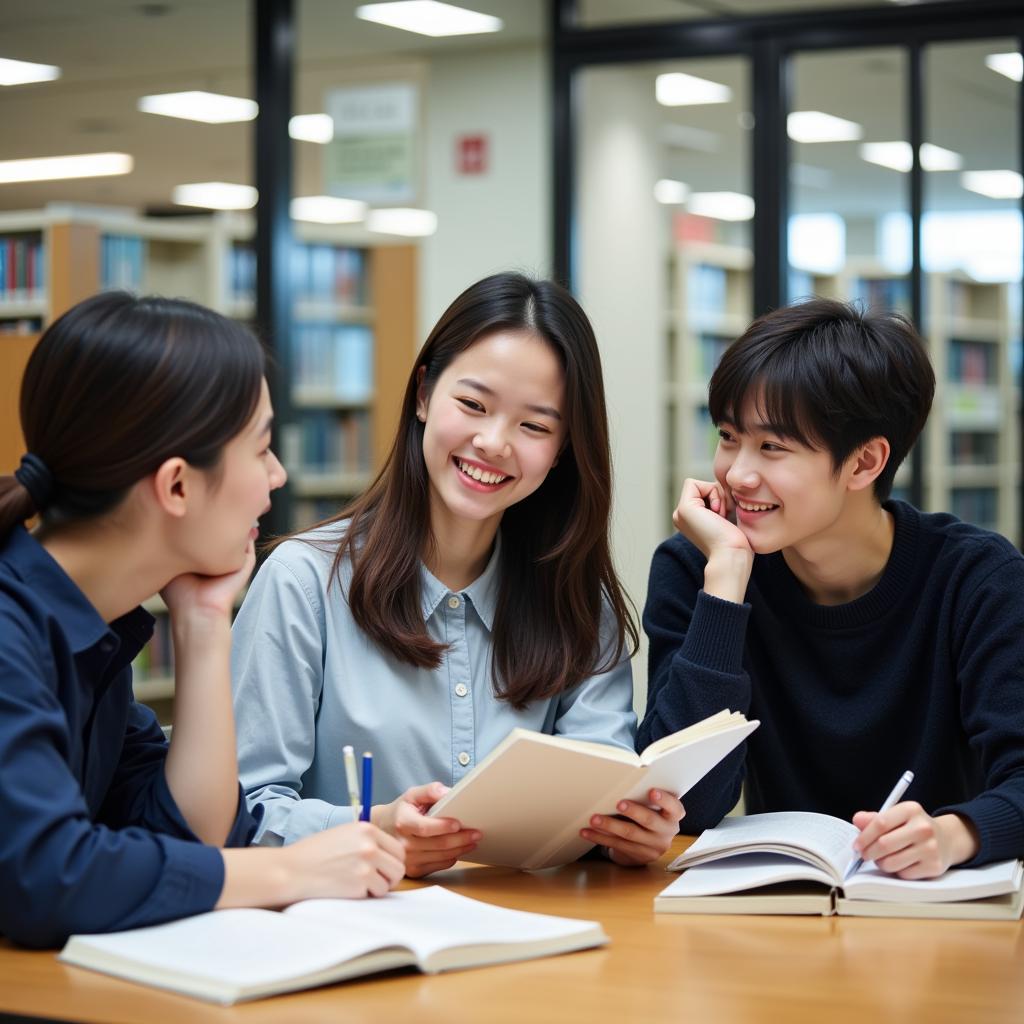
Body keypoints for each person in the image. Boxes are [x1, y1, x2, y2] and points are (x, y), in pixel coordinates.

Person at [232, 272, 683, 875]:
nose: (493, 442)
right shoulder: (302, 581)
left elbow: (598, 780)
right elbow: (244, 813)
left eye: (535, 426)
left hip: (532, 940)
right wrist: (374, 828)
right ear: (423, 394)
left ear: (564, 447)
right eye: (472, 405)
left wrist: (624, 830)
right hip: (354, 936)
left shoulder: (576, 600)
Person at [0, 292, 405, 949]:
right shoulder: (11, 629)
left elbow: (187, 832)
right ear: (178, 486)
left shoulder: (93, 631)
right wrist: (286, 869)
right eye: (262, 448)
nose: (277, 477)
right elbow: (47, 877)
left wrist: (205, 624)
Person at [638, 297, 1024, 879]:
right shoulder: (699, 568)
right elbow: (683, 805)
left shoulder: (976, 580)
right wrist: (725, 586)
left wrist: (953, 834)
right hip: (777, 912)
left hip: (933, 913)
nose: (738, 473)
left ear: (864, 462)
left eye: (772, 447)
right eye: (727, 436)